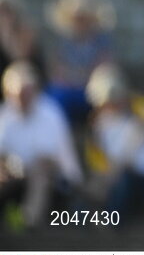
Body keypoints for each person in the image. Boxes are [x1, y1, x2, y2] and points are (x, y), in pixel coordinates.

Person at [82, 63, 144, 219]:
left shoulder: (138, 107)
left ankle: (109, 220)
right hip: (124, 176)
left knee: (122, 178)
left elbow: (141, 132)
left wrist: (115, 169)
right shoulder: (100, 124)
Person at [0, 60, 83, 232]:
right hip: (15, 181)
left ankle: (30, 222)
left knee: (40, 169)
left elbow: (55, 161)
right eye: (18, 93)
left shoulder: (51, 114)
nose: (23, 98)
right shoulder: (4, 116)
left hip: (57, 184)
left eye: (27, 91)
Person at [44, 0, 116, 125]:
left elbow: (105, 67)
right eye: (76, 17)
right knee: (55, 95)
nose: (80, 21)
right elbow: (57, 71)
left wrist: (85, 78)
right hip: (69, 91)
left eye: (83, 17)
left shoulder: (101, 39)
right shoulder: (62, 41)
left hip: (93, 90)